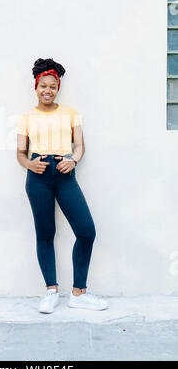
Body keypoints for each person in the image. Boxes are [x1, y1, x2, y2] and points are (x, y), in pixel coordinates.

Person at [16, 58, 108, 314]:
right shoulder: (26, 118)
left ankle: (79, 293)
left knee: (86, 231)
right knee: (45, 235)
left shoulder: (70, 113)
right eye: (43, 86)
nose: (48, 90)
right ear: (36, 87)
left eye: (52, 87)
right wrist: (29, 165)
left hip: (65, 175)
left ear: (58, 89)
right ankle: (51, 291)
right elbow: (20, 153)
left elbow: (80, 146)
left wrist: (74, 160)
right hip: (38, 177)